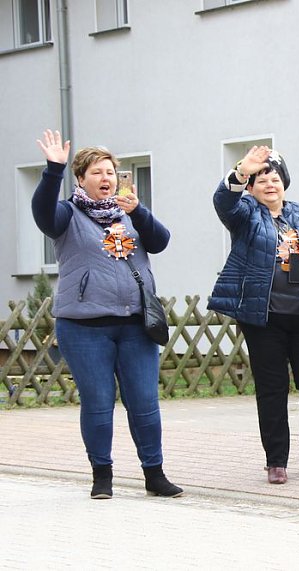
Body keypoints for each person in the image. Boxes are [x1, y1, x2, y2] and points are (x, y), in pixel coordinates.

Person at [31, 130, 183, 499]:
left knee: (144, 403)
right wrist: (53, 170)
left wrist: (139, 211)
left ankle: (154, 474)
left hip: (136, 324)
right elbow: (42, 214)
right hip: (84, 327)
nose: (106, 179)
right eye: (97, 172)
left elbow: (161, 241)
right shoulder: (67, 214)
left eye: (111, 172)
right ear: (81, 178)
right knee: (98, 404)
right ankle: (102, 476)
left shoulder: (127, 213)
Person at [208, 146, 299, 484]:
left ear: (285, 182)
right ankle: (276, 461)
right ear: (252, 188)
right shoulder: (246, 216)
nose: (270, 184)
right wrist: (240, 172)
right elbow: (223, 202)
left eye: (275, 177)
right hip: (264, 318)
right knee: (272, 389)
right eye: (262, 179)